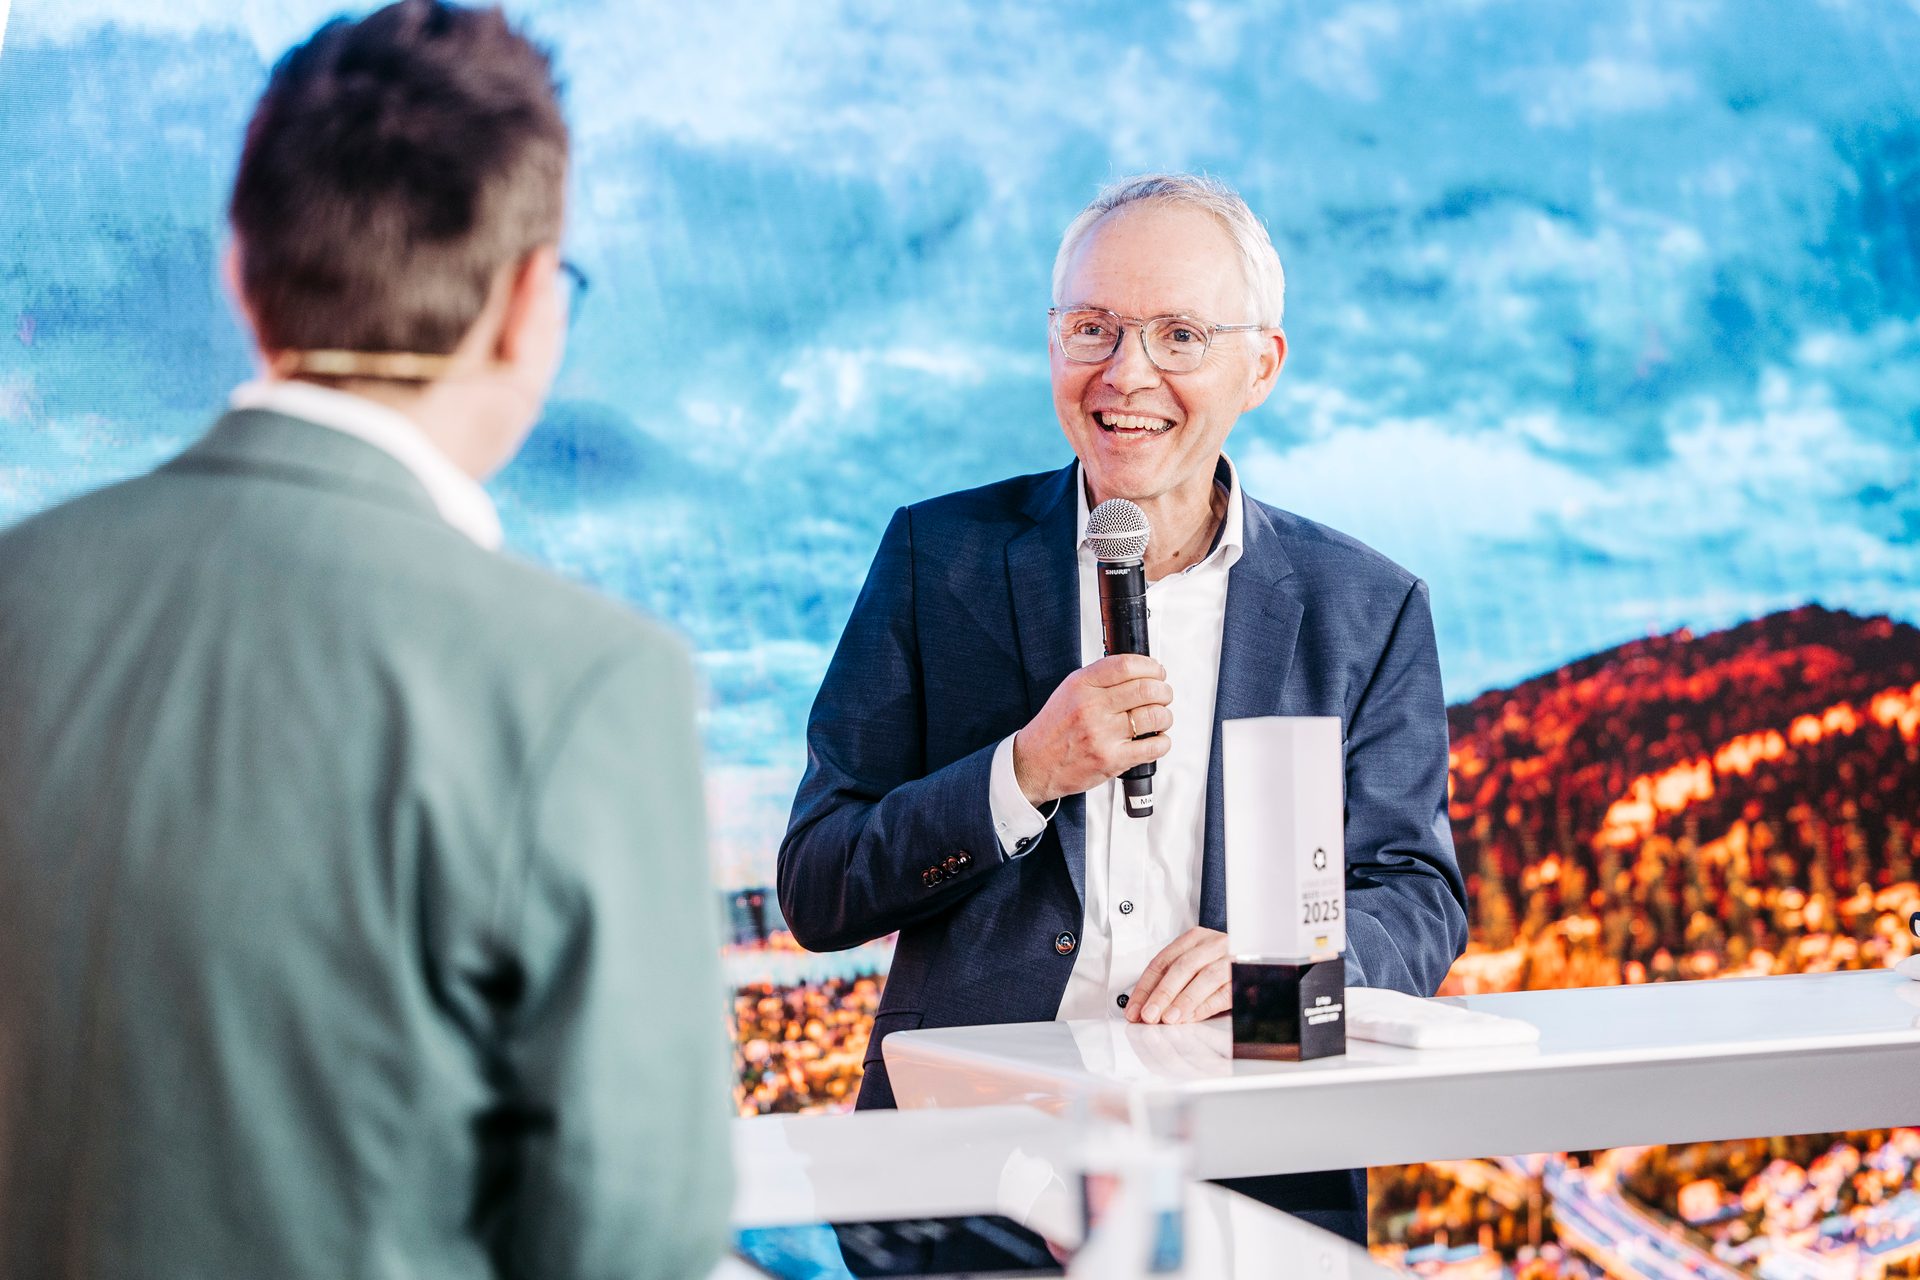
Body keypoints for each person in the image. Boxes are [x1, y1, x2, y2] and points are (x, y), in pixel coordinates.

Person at [0, 4, 730, 1276]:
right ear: (524, 307)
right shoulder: (585, 681)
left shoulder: (23, 590)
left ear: (240, 269)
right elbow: (633, 1239)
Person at [779, 173, 1468, 1243]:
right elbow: (818, 883)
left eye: (1180, 334)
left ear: (1262, 365)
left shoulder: (1368, 607)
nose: (1125, 372)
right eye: (1091, 327)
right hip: (958, 1174)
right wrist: (1022, 772)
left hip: (1254, 1173)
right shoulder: (935, 557)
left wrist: (1278, 964)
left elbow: (1415, 892)